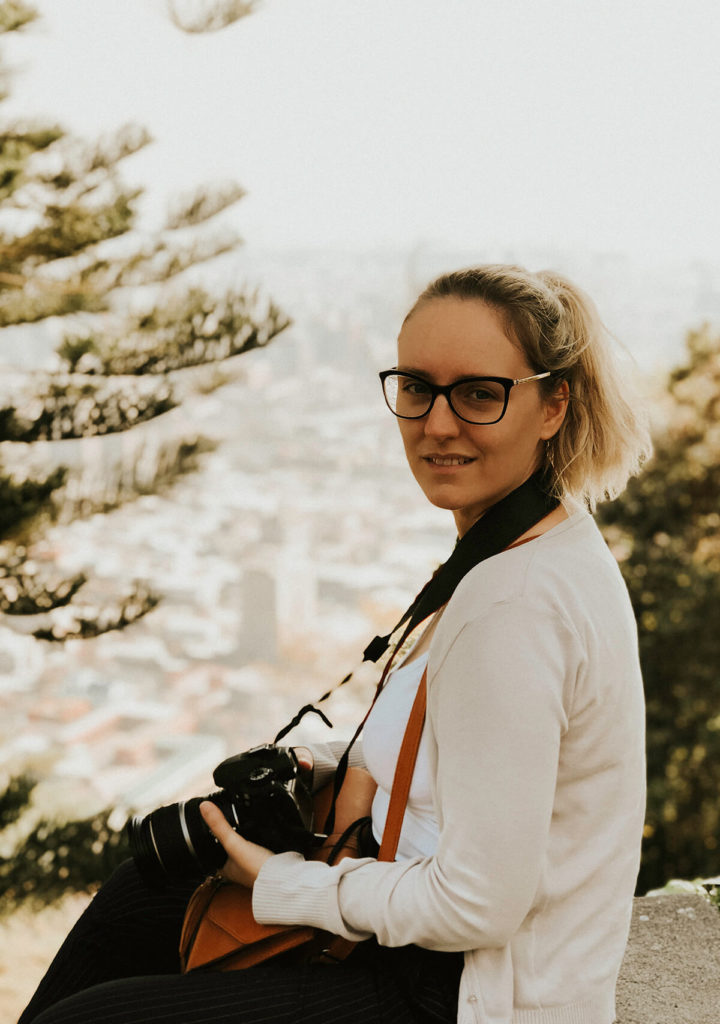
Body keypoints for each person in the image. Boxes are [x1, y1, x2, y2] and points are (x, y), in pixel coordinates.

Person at [19, 263, 650, 1024]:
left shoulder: (511, 601)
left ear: (553, 405)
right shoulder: (541, 543)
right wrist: (312, 772)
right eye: (417, 388)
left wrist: (278, 883)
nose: (438, 423)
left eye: (479, 394)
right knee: (143, 894)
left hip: (467, 993)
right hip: (435, 945)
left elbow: (476, 906)